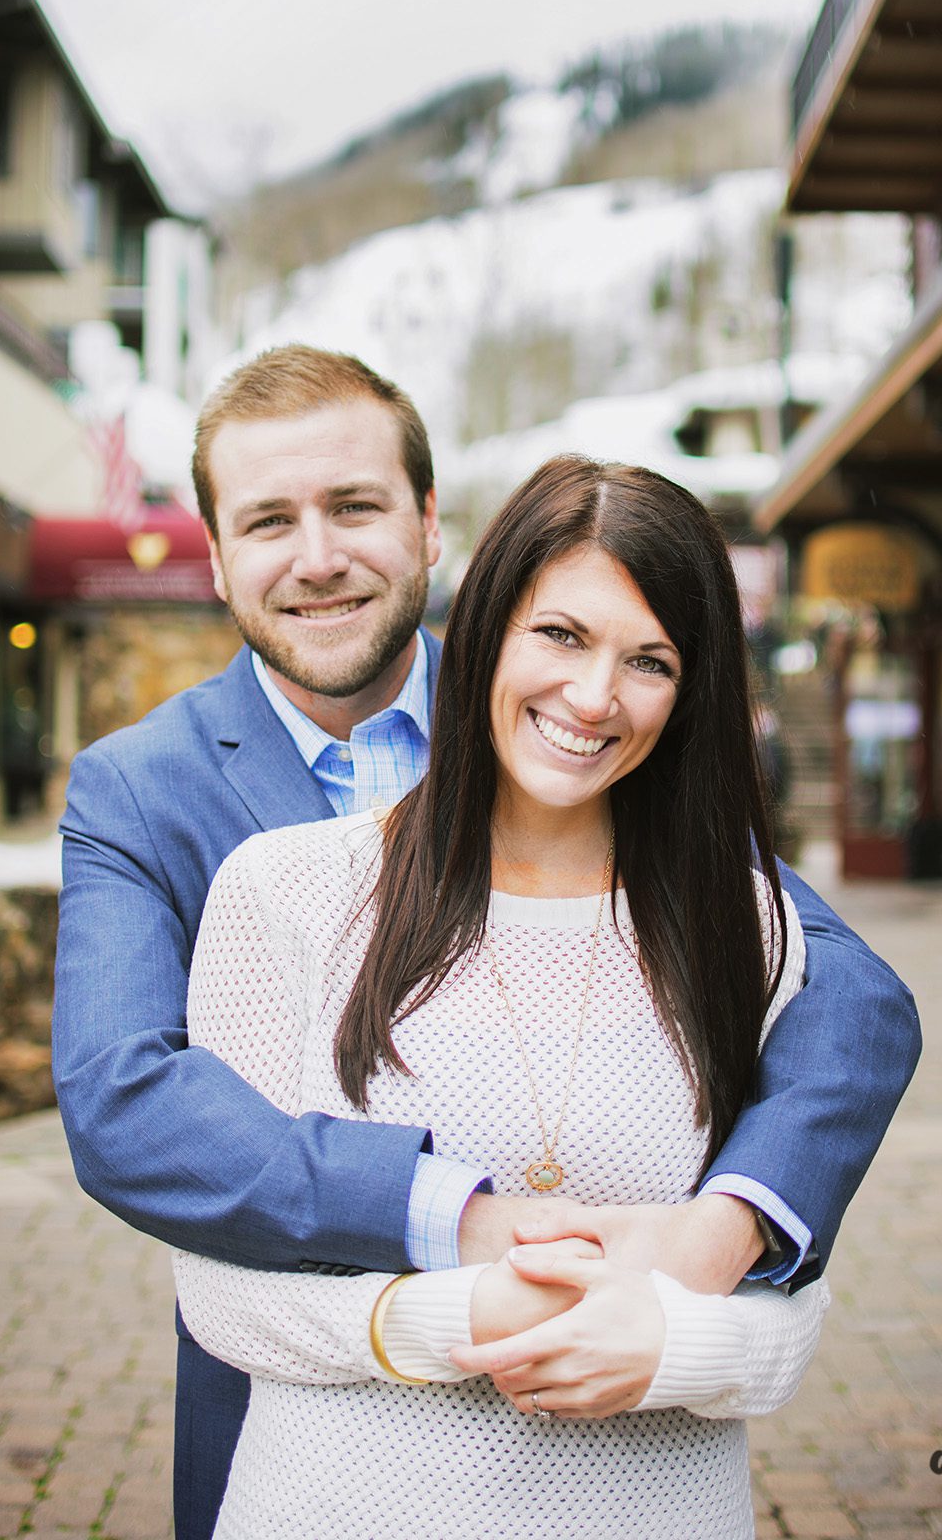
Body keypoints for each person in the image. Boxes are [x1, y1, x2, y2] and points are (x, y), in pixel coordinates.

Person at [53, 346, 920, 1540]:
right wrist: (452, 1224)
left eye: (354, 506)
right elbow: (125, 1104)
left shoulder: (564, 700)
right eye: (268, 521)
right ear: (213, 555)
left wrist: (720, 1235)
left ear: (428, 526)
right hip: (301, 1426)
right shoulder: (144, 796)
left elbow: (844, 991)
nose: (317, 557)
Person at [173, 455, 833, 1538]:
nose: (593, 697)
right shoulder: (289, 892)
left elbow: (793, 1290)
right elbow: (224, 1291)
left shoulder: (747, 924)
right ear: (483, 629)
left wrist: (675, 1349)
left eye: (650, 661)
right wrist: (460, 1317)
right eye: (560, 635)